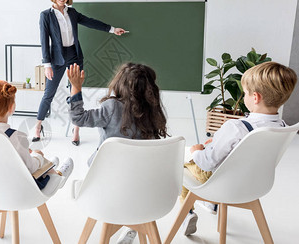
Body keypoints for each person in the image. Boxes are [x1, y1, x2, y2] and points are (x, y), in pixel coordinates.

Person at [180, 61, 297, 237]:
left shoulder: (236, 127)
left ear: (255, 97)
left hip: (222, 184)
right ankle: (212, 204)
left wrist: (196, 151)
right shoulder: (283, 127)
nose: (244, 97)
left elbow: (207, 163)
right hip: (255, 184)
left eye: (246, 94)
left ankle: (188, 213)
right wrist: (218, 141)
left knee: (184, 167)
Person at [67, 62, 168, 244]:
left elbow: (79, 118)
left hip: (106, 186)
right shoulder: (152, 113)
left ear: (119, 84)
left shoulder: (112, 107)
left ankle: (126, 226)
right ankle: (133, 225)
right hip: (142, 188)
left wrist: (76, 87)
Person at [34, 0, 126, 146]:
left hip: (74, 56)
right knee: (49, 93)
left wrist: (112, 29)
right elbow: (43, 41)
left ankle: (76, 129)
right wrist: (46, 64)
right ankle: (38, 126)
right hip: (56, 58)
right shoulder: (45, 15)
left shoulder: (73, 13)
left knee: (75, 91)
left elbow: (91, 22)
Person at [0, 79, 74, 190]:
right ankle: (58, 177)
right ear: (11, 108)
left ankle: (49, 166)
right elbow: (31, 168)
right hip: (17, 190)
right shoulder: (16, 137)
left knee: (33, 158)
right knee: (38, 158)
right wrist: (38, 155)